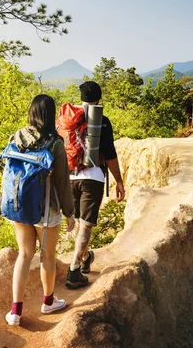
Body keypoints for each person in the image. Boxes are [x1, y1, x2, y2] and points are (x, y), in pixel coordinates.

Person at [4, 95, 76, 326]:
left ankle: (15, 312)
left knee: (24, 255)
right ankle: (48, 301)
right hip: (47, 208)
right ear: (50, 114)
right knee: (47, 255)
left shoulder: (16, 137)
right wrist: (69, 212)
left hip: (20, 205)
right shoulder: (54, 143)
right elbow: (63, 182)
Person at [65, 81, 125, 289]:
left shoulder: (69, 119)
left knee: (76, 221)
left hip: (69, 175)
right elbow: (109, 155)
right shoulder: (102, 122)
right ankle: (74, 270)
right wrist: (119, 181)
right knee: (86, 224)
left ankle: (83, 259)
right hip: (93, 178)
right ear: (99, 99)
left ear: (80, 97)